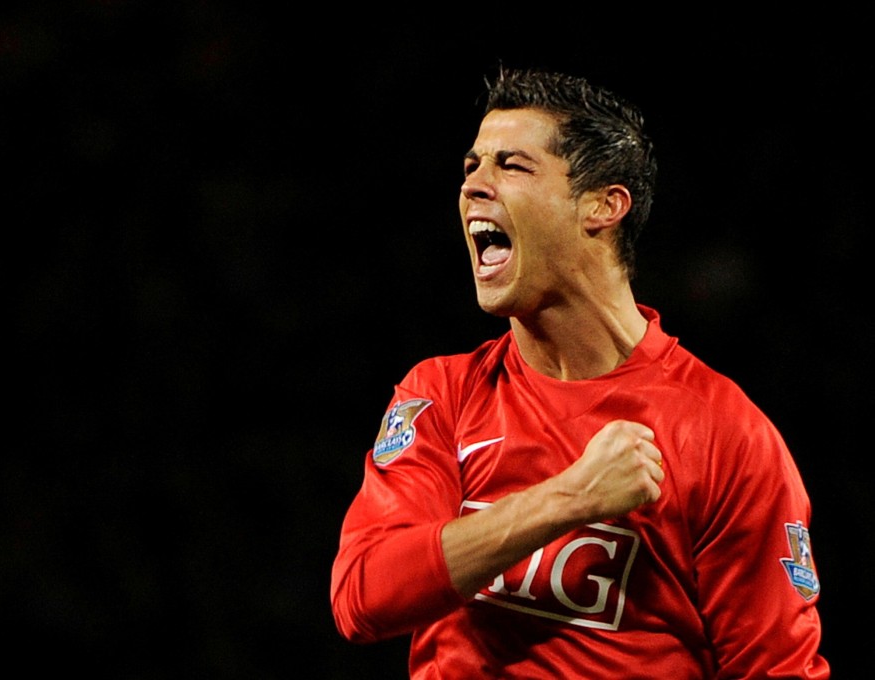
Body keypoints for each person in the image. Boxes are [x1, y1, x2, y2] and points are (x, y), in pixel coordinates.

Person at [329, 66, 829, 678]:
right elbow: (363, 596)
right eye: (471, 166)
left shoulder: (724, 434)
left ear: (603, 205)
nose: (473, 186)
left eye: (511, 166)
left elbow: (776, 668)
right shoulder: (442, 395)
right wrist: (569, 499)